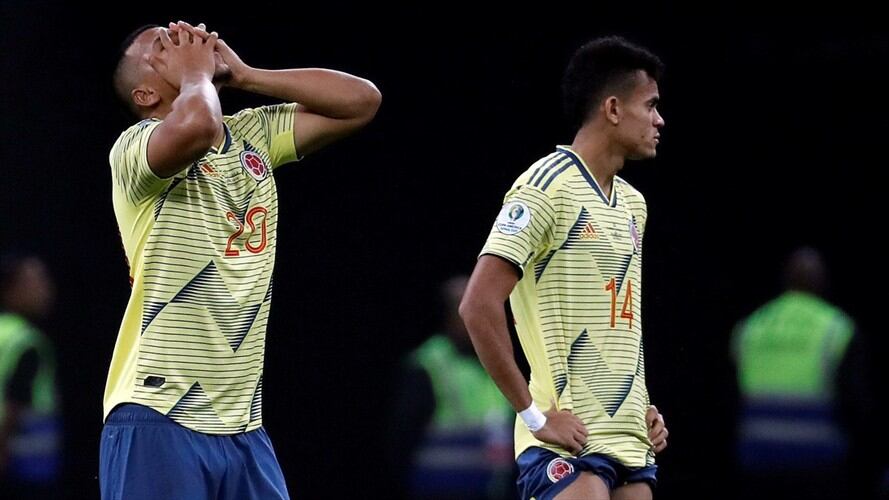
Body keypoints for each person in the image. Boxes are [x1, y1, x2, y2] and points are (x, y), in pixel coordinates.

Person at [101, 21, 380, 500]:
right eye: (162, 47)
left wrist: (246, 75)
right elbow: (196, 125)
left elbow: (362, 101)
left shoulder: (251, 136)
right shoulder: (133, 149)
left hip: (242, 424)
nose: (185, 44)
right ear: (146, 94)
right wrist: (195, 76)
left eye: (184, 37)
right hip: (157, 411)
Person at [459, 36, 669, 500]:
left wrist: (641, 407)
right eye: (650, 105)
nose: (659, 119)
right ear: (613, 109)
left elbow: (617, 320)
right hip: (565, 445)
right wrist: (534, 416)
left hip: (630, 442)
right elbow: (477, 305)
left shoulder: (634, 205)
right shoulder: (545, 186)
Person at [731, 246, 872, 500]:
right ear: (822, 282)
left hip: (757, 460)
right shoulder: (835, 328)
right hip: (816, 462)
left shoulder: (752, 326)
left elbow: (728, 396)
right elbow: (856, 402)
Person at [388, 275, 516, 499]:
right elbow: (401, 440)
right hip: (440, 490)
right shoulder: (428, 365)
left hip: (494, 490)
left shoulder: (497, 361)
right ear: (451, 315)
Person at [0, 254, 61, 499]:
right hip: (22, 470)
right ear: (10, 289)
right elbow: (15, 406)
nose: (46, 290)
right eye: (35, 282)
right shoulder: (25, 342)